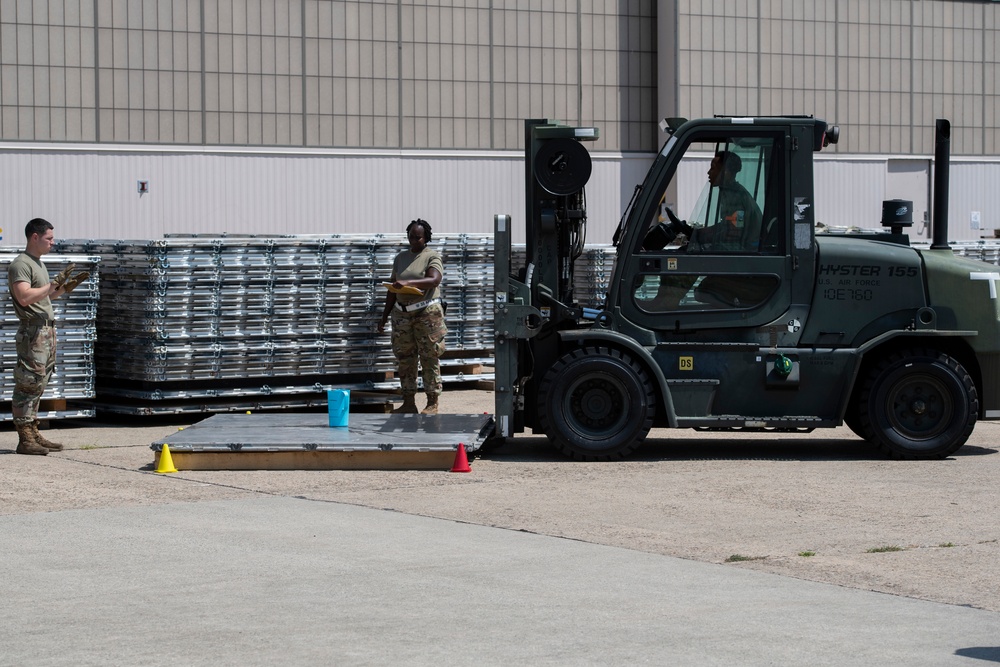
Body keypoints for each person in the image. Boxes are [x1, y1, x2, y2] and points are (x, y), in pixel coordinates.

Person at [7, 218, 89, 455]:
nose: (53, 242)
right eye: (49, 238)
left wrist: (63, 289)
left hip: (45, 331)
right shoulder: (21, 265)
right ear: (35, 237)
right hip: (33, 332)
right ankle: (24, 438)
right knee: (28, 382)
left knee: (39, 382)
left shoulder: (38, 264)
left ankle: (32, 432)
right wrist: (52, 283)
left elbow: (41, 297)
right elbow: (24, 297)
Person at [377, 218, 448, 415]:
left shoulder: (431, 256)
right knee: (405, 358)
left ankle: (432, 402)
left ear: (426, 238)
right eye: (411, 237)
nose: (413, 241)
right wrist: (384, 316)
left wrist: (407, 282)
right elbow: (392, 289)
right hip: (402, 313)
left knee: (429, 357)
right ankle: (408, 401)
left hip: (426, 313)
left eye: (418, 237)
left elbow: (434, 279)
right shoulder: (400, 258)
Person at [644, 150, 763, 252]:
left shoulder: (735, 196)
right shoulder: (729, 192)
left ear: (725, 172)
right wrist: (694, 232)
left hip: (744, 250)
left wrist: (697, 235)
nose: (709, 172)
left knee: (686, 255)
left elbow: (732, 233)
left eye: (713, 168)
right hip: (740, 247)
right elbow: (725, 227)